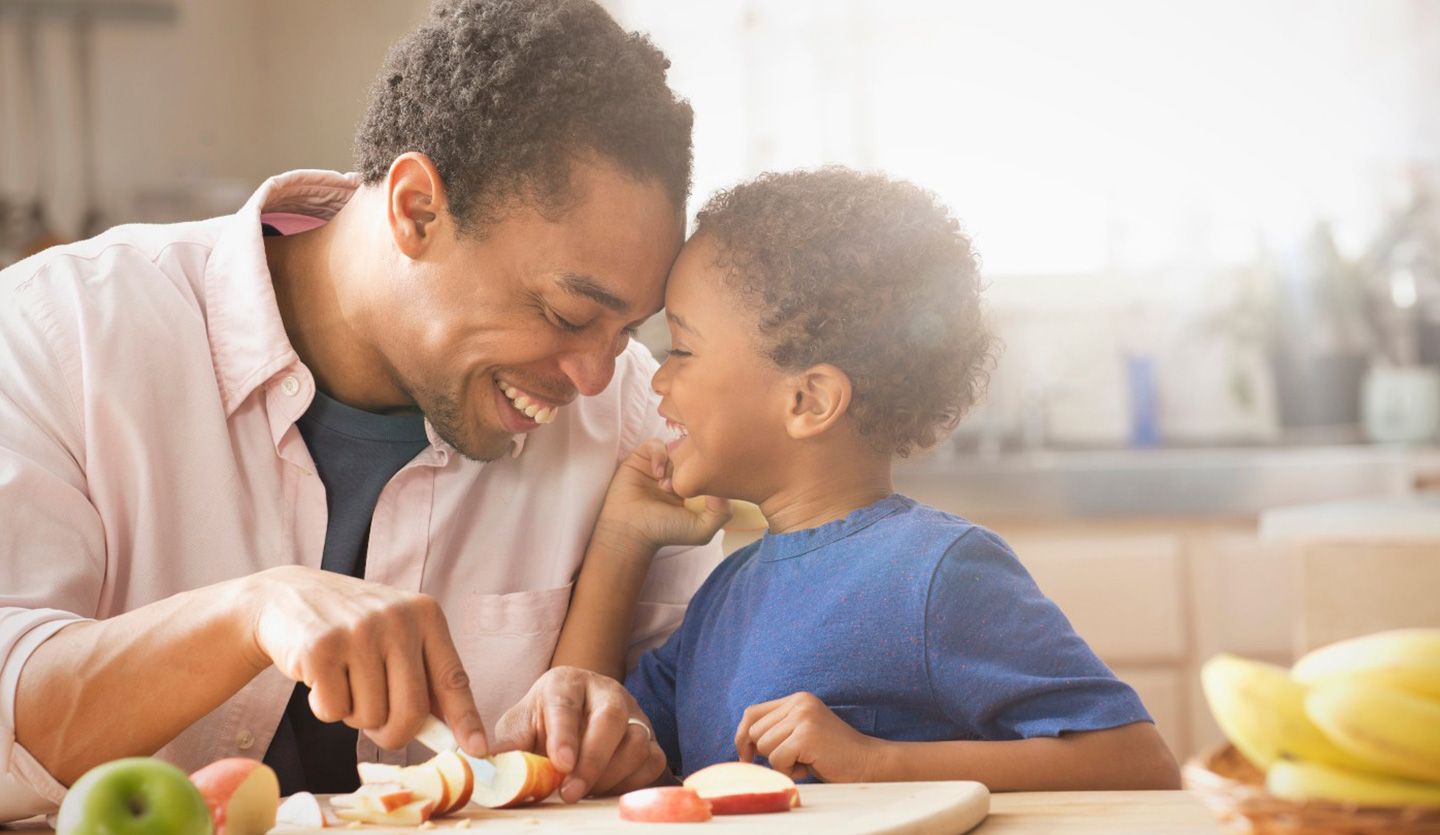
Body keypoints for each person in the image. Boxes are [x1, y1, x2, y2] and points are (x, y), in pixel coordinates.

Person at [0, 0, 727, 819]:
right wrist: (250, 611)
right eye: (566, 315)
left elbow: (683, 729)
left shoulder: (630, 417)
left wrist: (619, 729)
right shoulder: (59, 333)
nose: (597, 375)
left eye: (628, 328)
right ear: (417, 208)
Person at [552, 168, 1182, 790]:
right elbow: (580, 750)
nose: (658, 379)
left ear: (809, 401)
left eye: (682, 351)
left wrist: (876, 762)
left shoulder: (938, 572)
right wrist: (621, 541)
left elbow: (1137, 761)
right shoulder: (724, 595)